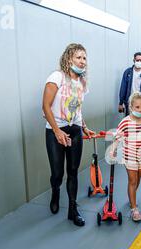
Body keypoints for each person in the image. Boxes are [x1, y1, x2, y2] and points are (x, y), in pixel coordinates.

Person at [42, 43, 95, 227]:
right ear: (68, 58)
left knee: (73, 171)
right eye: (78, 57)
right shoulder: (57, 77)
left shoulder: (81, 82)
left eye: (84, 58)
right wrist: (57, 131)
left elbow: (77, 108)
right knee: (57, 173)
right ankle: (55, 190)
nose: (82, 61)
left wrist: (84, 127)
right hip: (55, 129)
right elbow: (45, 106)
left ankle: (73, 210)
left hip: (75, 129)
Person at [111, 92, 141, 222]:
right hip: (130, 155)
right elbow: (117, 137)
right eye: (137, 107)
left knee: (138, 179)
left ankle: (132, 197)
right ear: (131, 107)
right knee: (132, 180)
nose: (140, 109)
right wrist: (113, 150)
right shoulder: (125, 122)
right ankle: (134, 209)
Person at [118, 52, 141, 116]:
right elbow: (123, 88)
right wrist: (121, 103)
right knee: (130, 123)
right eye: (137, 60)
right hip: (130, 102)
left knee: (140, 123)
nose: (139, 62)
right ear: (134, 60)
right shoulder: (128, 72)